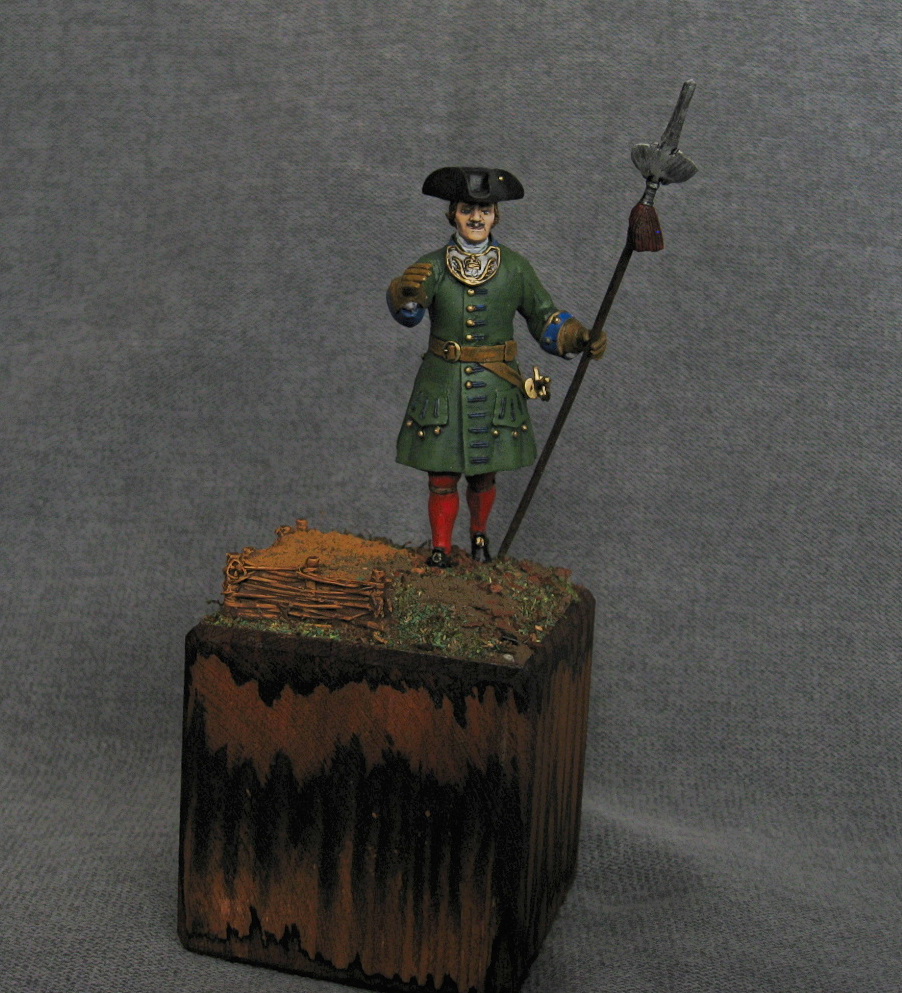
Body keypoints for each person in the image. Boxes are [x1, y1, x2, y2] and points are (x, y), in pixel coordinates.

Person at [387, 166, 604, 567]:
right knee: (441, 476)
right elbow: (410, 314)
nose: (476, 218)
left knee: (484, 474)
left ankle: (479, 539)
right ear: (452, 214)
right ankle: (440, 549)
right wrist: (403, 293)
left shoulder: (515, 267)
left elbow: (543, 316)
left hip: (496, 386)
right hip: (443, 384)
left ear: (495, 216)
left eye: (484, 211)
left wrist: (577, 335)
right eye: (467, 209)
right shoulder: (432, 266)